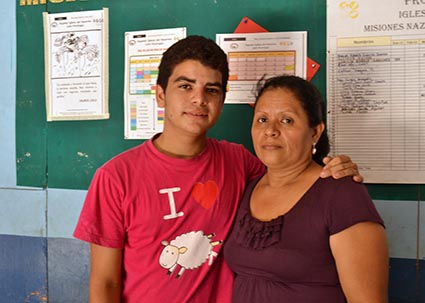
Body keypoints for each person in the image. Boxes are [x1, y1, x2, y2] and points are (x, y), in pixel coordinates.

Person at [73, 36, 363, 303]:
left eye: (211, 89)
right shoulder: (115, 177)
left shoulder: (239, 162)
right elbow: (105, 282)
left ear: (222, 100)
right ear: (160, 95)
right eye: (185, 86)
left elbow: (292, 175)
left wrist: (336, 169)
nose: (199, 99)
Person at [223, 75, 389, 303]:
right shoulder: (248, 187)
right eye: (262, 119)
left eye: (287, 120)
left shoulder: (341, 194)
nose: (270, 130)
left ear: (315, 132)